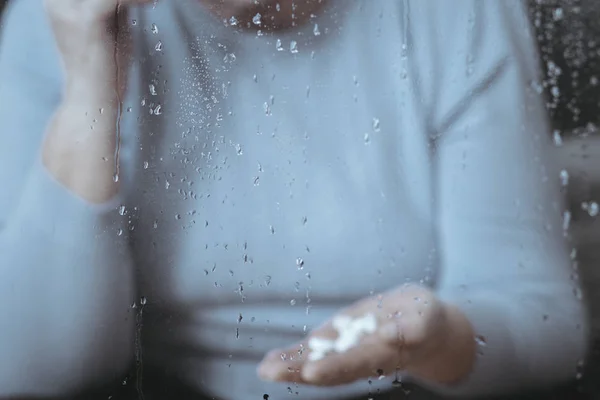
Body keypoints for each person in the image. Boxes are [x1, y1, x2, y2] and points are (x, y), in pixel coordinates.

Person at [0, 0, 590, 399]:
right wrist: (88, 97)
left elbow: (544, 323)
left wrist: (439, 339)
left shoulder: (454, 15)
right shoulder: (61, 19)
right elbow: (30, 369)